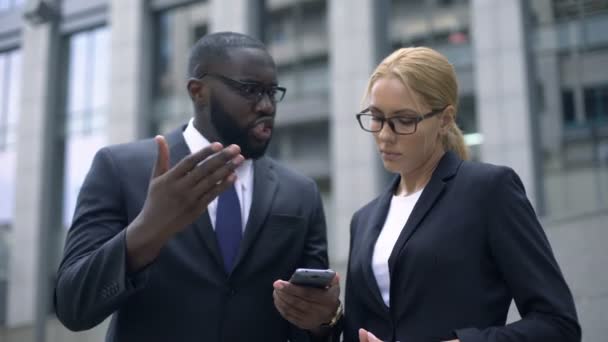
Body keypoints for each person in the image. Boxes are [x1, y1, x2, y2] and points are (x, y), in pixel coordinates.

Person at [273, 47, 581, 342]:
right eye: (377, 117)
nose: (384, 134)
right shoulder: (364, 220)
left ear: (445, 119)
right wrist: (325, 320)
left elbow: (557, 324)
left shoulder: (489, 191)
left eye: (404, 121)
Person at [54, 31, 332, 342]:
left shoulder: (301, 192)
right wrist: (148, 230)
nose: (266, 106)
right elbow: (72, 306)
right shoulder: (120, 169)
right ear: (198, 91)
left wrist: (325, 321)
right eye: (251, 90)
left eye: (272, 92)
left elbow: (316, 324)